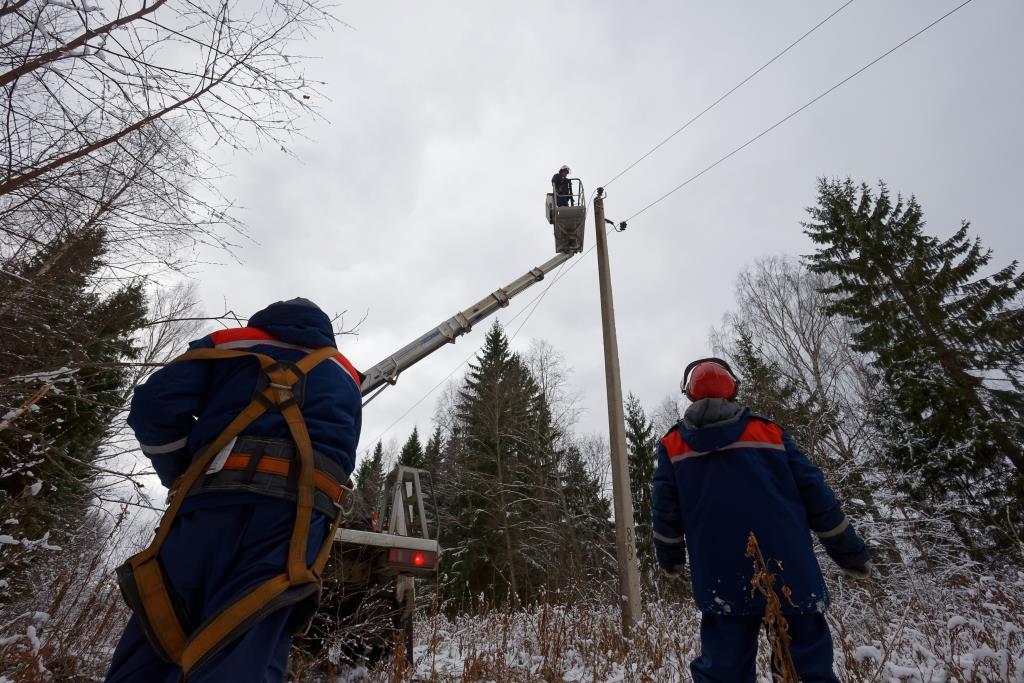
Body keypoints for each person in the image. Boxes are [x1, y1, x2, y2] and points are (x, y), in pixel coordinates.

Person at [106, 297, 362, 683]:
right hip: (293, 523)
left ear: (263, 321)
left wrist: (180, 472)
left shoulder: (229, 343)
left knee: (161, 630)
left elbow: (153, 405)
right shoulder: (345, 376)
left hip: (210, 506)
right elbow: (342, 453)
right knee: (250, 637)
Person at [652, 357, 869, 683]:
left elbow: (665, 514)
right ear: (733, 389)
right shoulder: (770, 433)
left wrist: (670, 561)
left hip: (719, 576)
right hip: (789, 573)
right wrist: (849, 553)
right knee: (806, 671)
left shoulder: (673, 446)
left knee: (723, 673)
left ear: (689, 394)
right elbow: (818, 497)